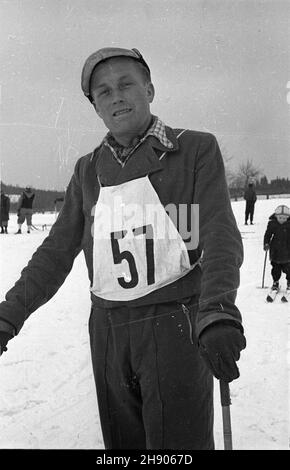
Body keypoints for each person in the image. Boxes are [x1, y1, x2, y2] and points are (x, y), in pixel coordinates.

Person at [0, 47, 246, 450]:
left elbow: (220, 233)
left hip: (176, 323)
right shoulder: (89, 169)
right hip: (109, 331)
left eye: (126, 83)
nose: (116, 96)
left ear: (149, 88)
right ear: (96, 107)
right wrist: (9, 315)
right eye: (103, 92)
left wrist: (217, 310)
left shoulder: (195, 149)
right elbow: (56, 252)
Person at [264, 204, 290, 291]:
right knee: (276, 269)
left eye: (284, 218)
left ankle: (289, 281)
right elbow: (268, 235)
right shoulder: (272, 224)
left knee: (288, 268)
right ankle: (275, 282)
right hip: (275, 251)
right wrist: (266, 243)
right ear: (276, 216)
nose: (282, 220)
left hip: (288, 250)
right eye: (280, 218)